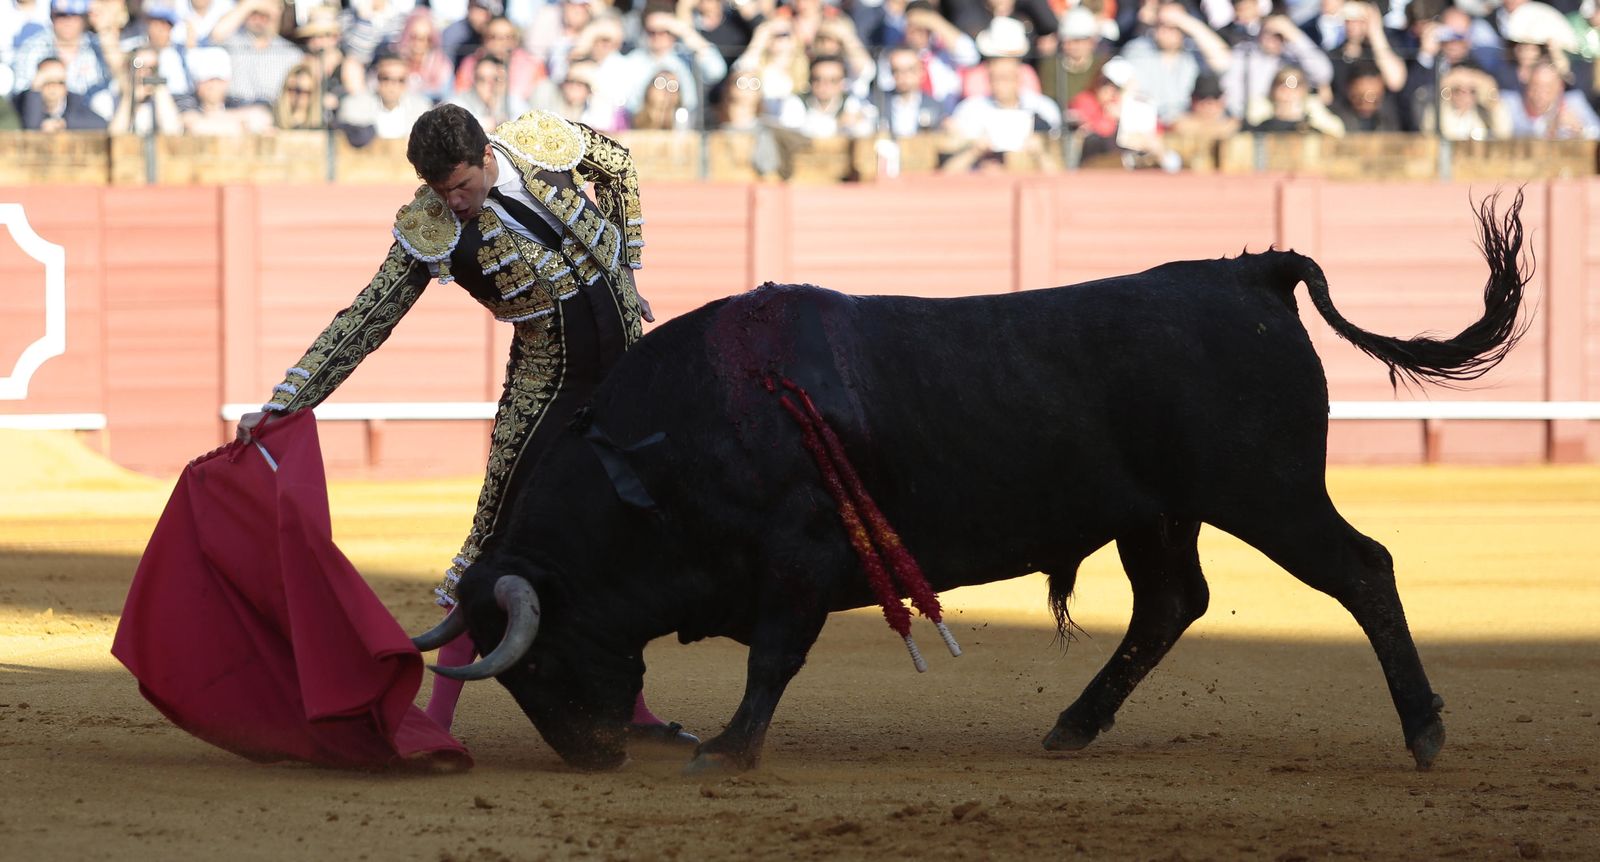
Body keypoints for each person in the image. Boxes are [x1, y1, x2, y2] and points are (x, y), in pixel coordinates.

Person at [233, 104, 694, 745]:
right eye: (440, 191)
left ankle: (634, 714)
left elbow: (616, 164)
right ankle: (433, 723)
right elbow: (366, 319)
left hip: (624, 387)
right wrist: (286, 402)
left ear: (485, 157)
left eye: (462, 186)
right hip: (546, 392)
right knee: (491, 544)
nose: (455, 203)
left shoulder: (541, 143)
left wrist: (626, 264)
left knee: (620, 545)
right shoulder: (430, 228)